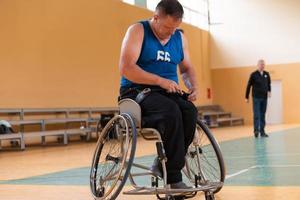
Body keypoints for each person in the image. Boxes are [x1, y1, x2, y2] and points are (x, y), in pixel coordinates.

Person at [118, 0, 198, 189]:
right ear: (155, 18)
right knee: (171, 111)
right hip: (137, 91)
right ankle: (173, 176)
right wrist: (160, 81)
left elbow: (186, 68)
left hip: (167, 92)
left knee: (189, 112)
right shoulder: (138, 31)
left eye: (175, 28)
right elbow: (127, 68)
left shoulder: (179, 37)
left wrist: (193, 85)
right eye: (168, 27)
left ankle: (165, 164)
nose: (171, 33)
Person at [245, 59, 271, 138]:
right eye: (261, 64)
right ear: (258, 65)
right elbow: (249, 85)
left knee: (262, 114)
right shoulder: (253, 74)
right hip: (256, 97)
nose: (262, 66)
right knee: (256, 114)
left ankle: (262, 131)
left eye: (263, 64)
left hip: (264, 98)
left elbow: (269, 84)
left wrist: (269, 91)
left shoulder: (267, 74)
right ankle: (256, 131)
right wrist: (246, 97)